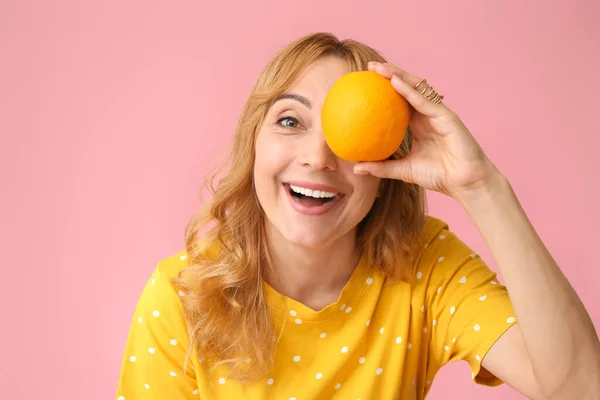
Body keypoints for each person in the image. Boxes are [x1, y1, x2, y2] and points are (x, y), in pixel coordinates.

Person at [116, 32, 600, 399]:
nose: (318, 159)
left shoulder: (424, 268)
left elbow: (581, 386)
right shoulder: (184, 296)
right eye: (290, 121)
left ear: (387, 162)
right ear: (254, 143)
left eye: (348, 134)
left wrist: (483, 187)